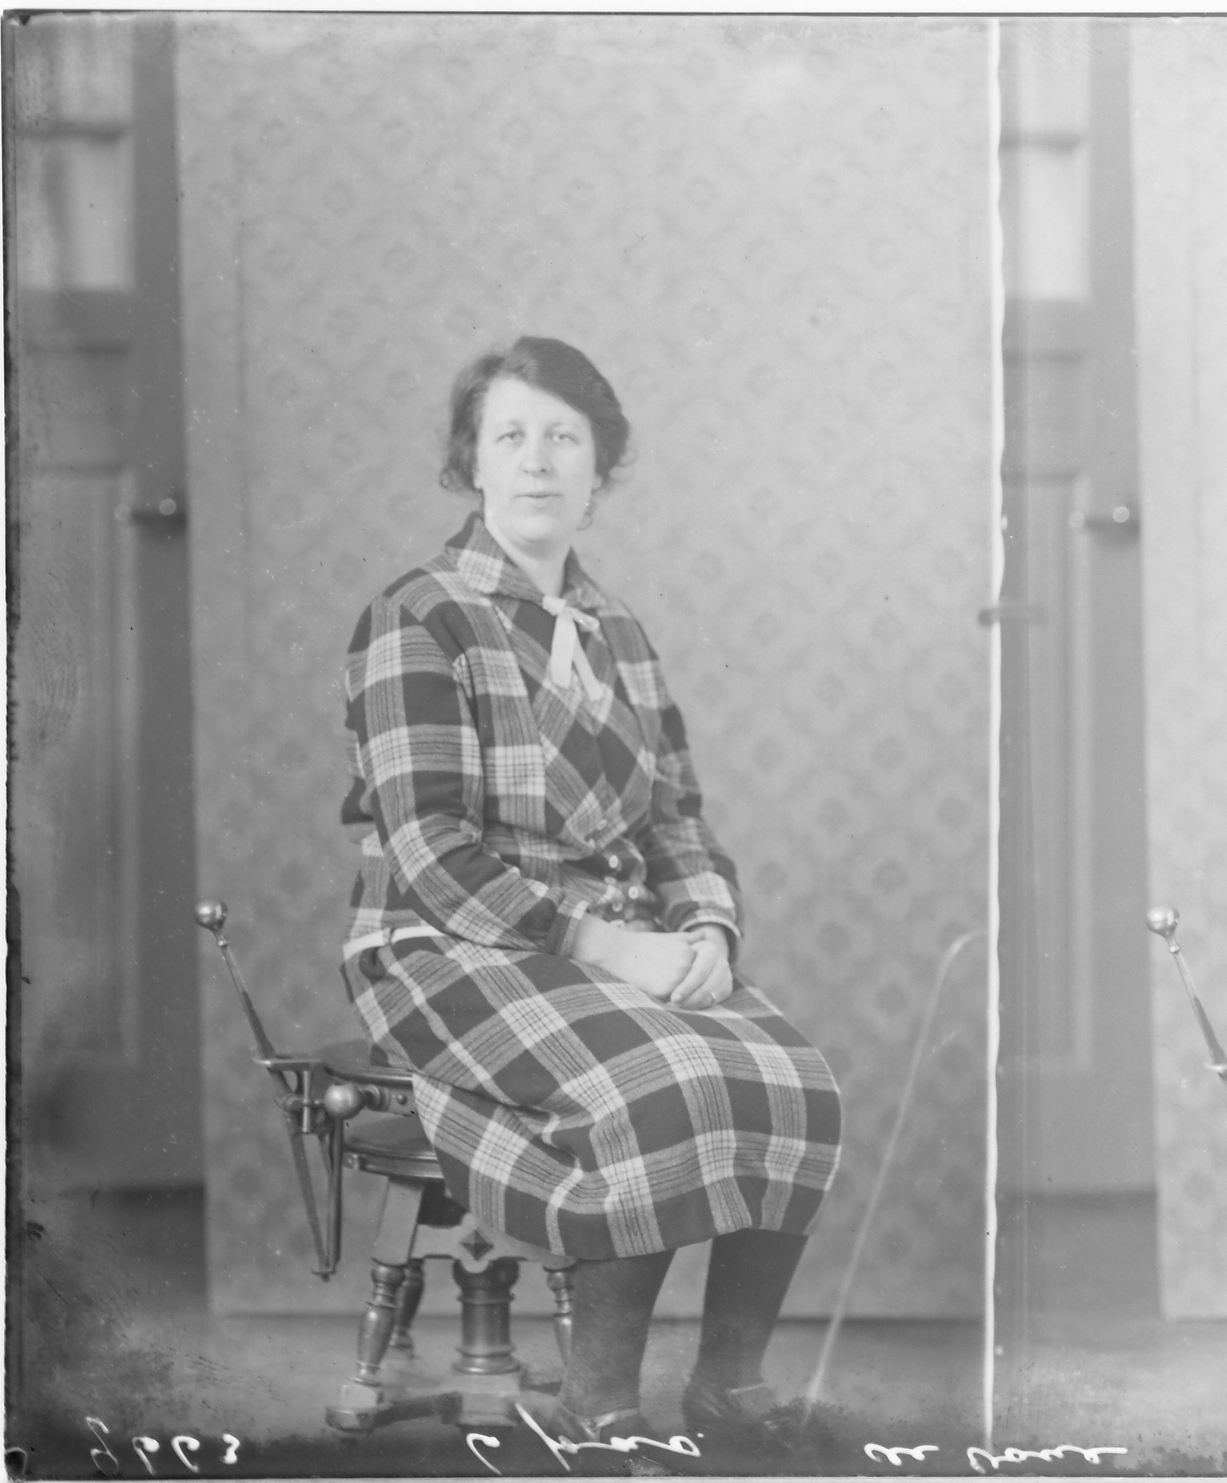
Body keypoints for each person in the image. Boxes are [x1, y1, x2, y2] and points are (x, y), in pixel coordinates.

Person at [338, 336, 841, 1452]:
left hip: (615, 941)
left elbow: (674, 820)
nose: (537, 461)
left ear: (599, 470)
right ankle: (600, 1407)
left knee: (794, 1079)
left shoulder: (619, 633)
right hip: (441, 945)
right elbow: (430, 851)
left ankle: (728, 1386)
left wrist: (706, 923)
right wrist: (613, 948)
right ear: (471, 462)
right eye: (510, 435)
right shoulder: (418, 616)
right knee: (653, 1085)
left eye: (564, 438)